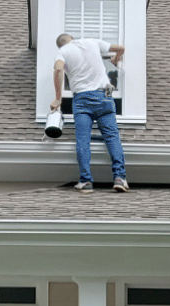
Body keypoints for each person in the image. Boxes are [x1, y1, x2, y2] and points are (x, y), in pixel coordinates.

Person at [50, 33, 129, 194]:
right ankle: (120, 178)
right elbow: (121, 48)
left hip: (82, 100)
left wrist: (58, 98)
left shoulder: (63, 51)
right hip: (104, 96)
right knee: (112, 137)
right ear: (72, 38)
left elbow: (58, 69)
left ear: (60, 44)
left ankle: (86, 181)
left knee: (83, 140)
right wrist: (116, 59)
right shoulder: (92, 42)